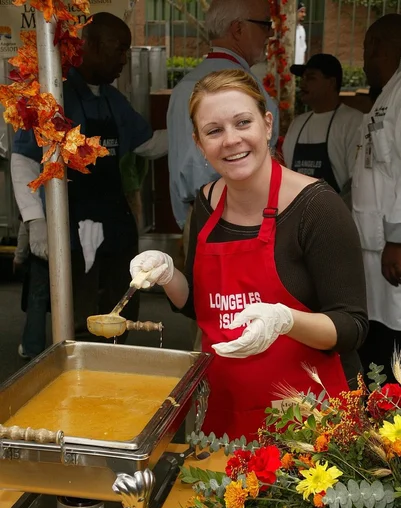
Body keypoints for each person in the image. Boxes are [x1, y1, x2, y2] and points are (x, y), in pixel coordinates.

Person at [130, 69, 368, 441]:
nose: (231, 140)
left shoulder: (317, 207)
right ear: (198, 143)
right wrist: (167, 276)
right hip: (225, 416)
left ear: (267, 124)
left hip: (311, 427)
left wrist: (285, 320)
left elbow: (352, 327)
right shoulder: (206, 203)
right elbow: (202, 307)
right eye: (214, 131)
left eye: (243, 123)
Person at [11, 13, 161, 358]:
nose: (124, 59)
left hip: (114, 224)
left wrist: (196, 134)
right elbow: (23, 159)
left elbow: (147, 144)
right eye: (119, 49)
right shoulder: (55, 93)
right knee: (77, 318)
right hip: (71, 228)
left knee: (119, 312)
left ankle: (113, 369)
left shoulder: (112, 99)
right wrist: (36, 221)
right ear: (90, 46)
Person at [167, 0, 279, 232]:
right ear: (238, 29)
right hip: (244, 222)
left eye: (242, 123)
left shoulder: (182, 88)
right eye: (265, 24)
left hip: (195, 217)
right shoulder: (252, 90)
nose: (270, 33)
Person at [352, 14, 401, 381]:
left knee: (393, 344)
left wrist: (398, 240)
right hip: (373, 247)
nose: (365, 58)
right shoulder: (386, 96)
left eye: (369, 47)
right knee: (377, 338)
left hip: (392, 250)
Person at [283, 54, 363, 196]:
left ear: (331, 83)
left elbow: (356, 183)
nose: (302, 84)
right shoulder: (297, 124)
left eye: (311, 78)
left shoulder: (353, 122)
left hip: (337, 214)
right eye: (303, 78)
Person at [295, 2, 307, 66]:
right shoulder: (289, 30)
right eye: (301, 12)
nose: (304, 14)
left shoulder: (302, 29)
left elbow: (303, 49)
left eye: (304, 12)